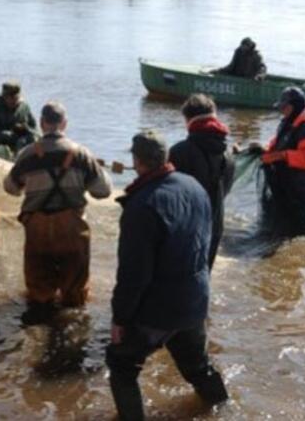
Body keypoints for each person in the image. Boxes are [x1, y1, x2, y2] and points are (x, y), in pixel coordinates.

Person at [106, 130, 228, 420]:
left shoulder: (141, 205)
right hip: (195, 301)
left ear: (137, 161)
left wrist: (120, 318)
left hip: (157, 312)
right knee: (198, 367)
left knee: (121, 366)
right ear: (166, 158)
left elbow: (133, 275)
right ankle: (223, 409)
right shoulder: (194, 186)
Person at [3, 101, 111, 324]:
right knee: (74, 298)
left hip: (38, 231)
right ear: (64, 124)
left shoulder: (27, 154)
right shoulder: (81, 154)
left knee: (39, 294)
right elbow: (103, 191)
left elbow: (10, 188)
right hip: (72, 231)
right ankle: (71, 342)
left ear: (42, 124)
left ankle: (35, 331)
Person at [169, 94, 234, 270]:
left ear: (188, 120)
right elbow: (225, 190)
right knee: (202, 279)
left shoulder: (179, 152)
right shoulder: (228, 154)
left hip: (184, 230)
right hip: (214, 226)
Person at [253, 86, 305, 236]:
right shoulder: (288, 123)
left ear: (294, 107)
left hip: (302, 192)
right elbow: (277, 145)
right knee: (280, 230)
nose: (282, 110)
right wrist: (263, 149)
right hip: (287, 189)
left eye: (284, 107)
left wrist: (282, 156)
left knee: (297, 232)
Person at [0, 81, 38, 154]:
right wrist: (12, 135)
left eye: (16, 99)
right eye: (11, 99)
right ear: (4, 97)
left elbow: (35, 129)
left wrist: (26, 130)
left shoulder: (24, 106)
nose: (15, 102)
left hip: (19, 145)